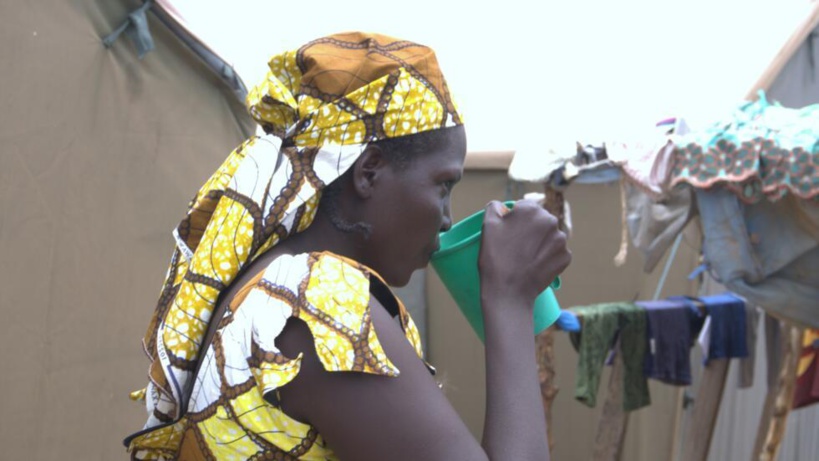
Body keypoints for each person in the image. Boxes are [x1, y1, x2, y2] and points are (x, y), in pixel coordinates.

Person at [125, 31, 571, 461]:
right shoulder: (316, 300)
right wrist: (509, 299)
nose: (448, 217)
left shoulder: (269, 282)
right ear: (369, 172)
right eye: (442, 185)